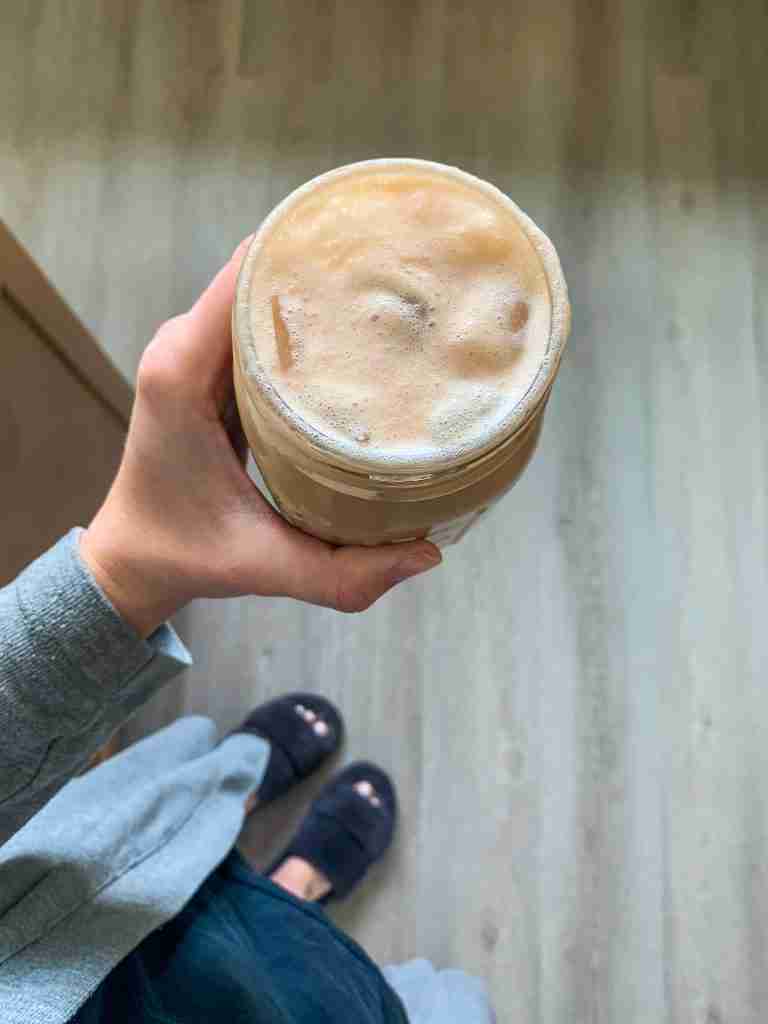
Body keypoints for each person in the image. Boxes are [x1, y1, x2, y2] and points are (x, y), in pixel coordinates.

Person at [0, 239, 496, 1023]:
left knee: (166, 844)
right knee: (292, 971)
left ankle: (232, 797)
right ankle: (299, 883)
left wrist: (121, 573)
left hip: (63, 914)